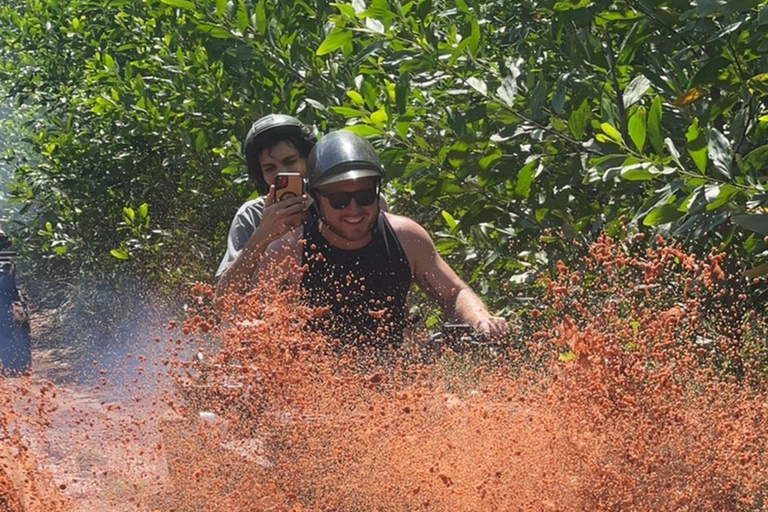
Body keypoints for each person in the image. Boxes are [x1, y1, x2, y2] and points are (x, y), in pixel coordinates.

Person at [256, 130, 508, 347]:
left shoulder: (407, 238)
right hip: (315, 385)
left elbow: (453, 293)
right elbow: (258, 322)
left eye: (365, 196)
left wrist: (480, 320)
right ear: (316, 198)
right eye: (339, 201)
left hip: (397, 381)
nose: (353, 210)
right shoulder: (287, 252)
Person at [215, 114, 316, 296]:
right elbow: (223, 299)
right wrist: (262, 235)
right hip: (269, 318)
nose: (281, 173)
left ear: (308, 160)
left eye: (290, 161)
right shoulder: (251, 214)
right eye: (270, 168)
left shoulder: (331, 204)